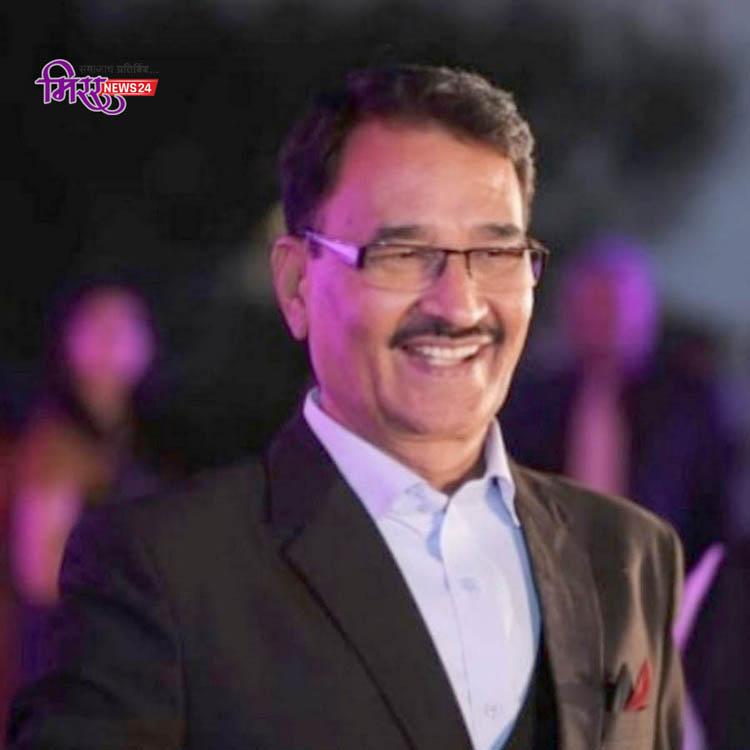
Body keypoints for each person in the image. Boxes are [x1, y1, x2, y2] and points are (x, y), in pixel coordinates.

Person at [7, 65, 684, 750]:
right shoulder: (162, 572)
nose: (459, 304)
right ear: (296, 284)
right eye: (403, 252)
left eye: (495, 251)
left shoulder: (631, 557)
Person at [501, 239, 734, 568]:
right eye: (589, 307)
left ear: (644, 312)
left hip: (659, 572)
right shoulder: (533, 399)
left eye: (611, 306)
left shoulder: (688, 401)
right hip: (553, 570)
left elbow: (715, 510)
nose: (600, 321)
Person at [7, 282, 162, 683]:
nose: (112, 338)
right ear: (67, 340)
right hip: (71, 657)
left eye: (126, 323)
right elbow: (39, 574)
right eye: (96, 323)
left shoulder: (138, 439)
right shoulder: (54, 442)